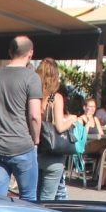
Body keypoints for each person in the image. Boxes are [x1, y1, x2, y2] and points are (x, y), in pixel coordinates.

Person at [0, 36, 43, 202]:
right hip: (23, 145)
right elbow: (34, 116)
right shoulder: (32, 78)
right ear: (31, 53)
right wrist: (36, 140)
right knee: (28, 199)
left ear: (10, 52)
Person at [35, 58, 77, 202]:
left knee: (34, 196)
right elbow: (59, 127)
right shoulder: (55, 97)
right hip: (52, 154)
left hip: (35, 151)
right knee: (47, 200)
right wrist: (71, 120)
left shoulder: (35, 96)